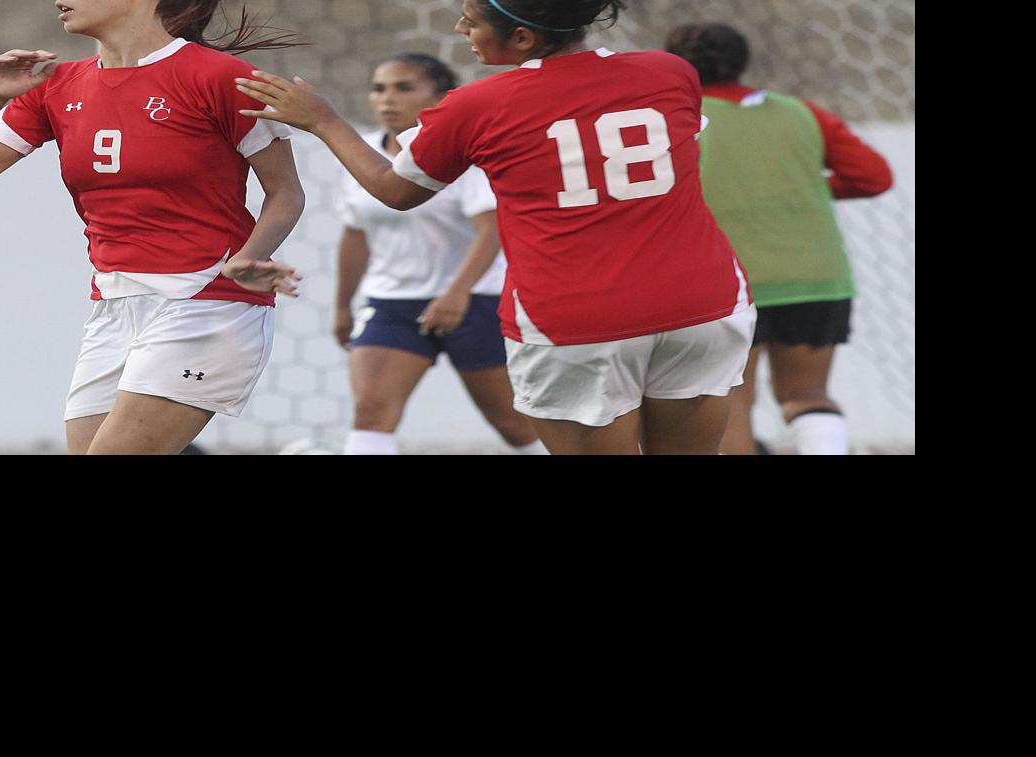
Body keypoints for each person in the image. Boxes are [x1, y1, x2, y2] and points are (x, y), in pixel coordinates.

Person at [236, 0, 755, 455]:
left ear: (523, 37)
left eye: (471, 19)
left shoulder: (478, 105)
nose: (460, 27)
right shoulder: (669, 70)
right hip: (703, 301)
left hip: (575, 318)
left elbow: (394, 191)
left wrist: (323, 120)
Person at [0, 0, 307, 455]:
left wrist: (249, 257)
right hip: (114, 305)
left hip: (206, 301)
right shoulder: (54, 85)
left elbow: (285, 193)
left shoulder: (219, 78)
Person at [666, 22, 894, 456]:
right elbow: (874, 177)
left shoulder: (683, 122)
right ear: (743, 62)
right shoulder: (801, 112)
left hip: (726, 284)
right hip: (815, 276)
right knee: (806, 395)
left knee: (733, 400)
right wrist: (802, 189)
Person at [335, 54, 547, 456]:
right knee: (371, 410)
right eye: (379, 88)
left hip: (475, 300)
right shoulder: (360, 154)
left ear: (439, 96)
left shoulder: (461, 151)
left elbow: (493, 226)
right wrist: (343, 306)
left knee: (512, 422)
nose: (387, 99)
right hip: (393, 303)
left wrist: (457, 294)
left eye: (404, 87)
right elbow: (355, 233)